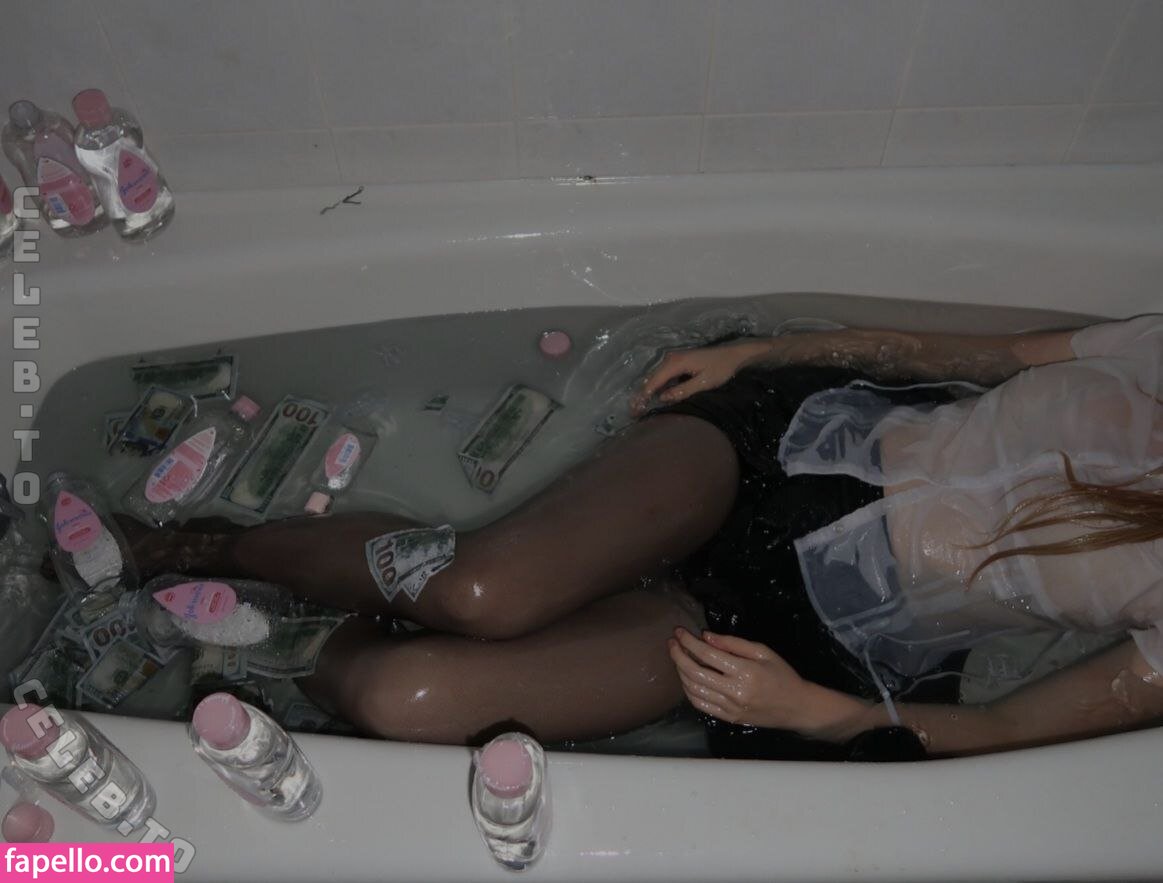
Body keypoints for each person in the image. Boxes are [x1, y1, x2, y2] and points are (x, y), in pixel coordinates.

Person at [123, 313, 1163, 759]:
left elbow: (1015, 730)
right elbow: (955, 353)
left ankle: (275, 648)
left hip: (799, 635)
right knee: (480, 591)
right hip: (775, 449)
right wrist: (765, 351)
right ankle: (211, 550)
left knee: (409, 699)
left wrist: (818, 712)